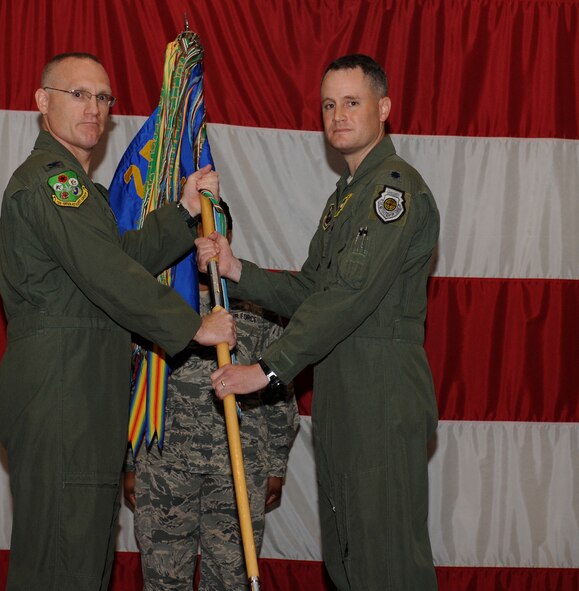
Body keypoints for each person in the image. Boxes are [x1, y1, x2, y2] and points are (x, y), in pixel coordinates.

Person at [0, 52, 236, 591]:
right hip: (62, 393)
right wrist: (194, 327)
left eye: (103, 98)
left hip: (81, 394)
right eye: (78, 94)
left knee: (84, 560)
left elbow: (119, 256)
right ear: (41, 101)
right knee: (62, 564)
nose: (94, 108)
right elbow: (107, 273)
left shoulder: (81, 192)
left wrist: (185, 210)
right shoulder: (53, 183)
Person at [196, 54, 440, 590]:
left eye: (352, 102)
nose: (338, 115)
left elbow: (348, 297)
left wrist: (266, 370)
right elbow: (311, 291)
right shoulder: (347, 197)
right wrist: (237, 270)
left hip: (379, 399)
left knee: (385, 567)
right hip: (348, 401)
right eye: (329, 104)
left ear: (385, 108)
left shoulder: (390, 193)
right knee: (350, 564)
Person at [122, 200, 299, 590]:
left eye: (212, 229)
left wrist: (275, 466)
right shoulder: (155, 301)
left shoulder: (257, 301)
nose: (201, 239)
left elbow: (280, 391)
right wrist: (130, 462)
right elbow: (133, 387)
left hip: (239, 467)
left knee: (232, 580)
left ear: (227, 236)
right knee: (164, 579)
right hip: (164, 466)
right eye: (193, 230)